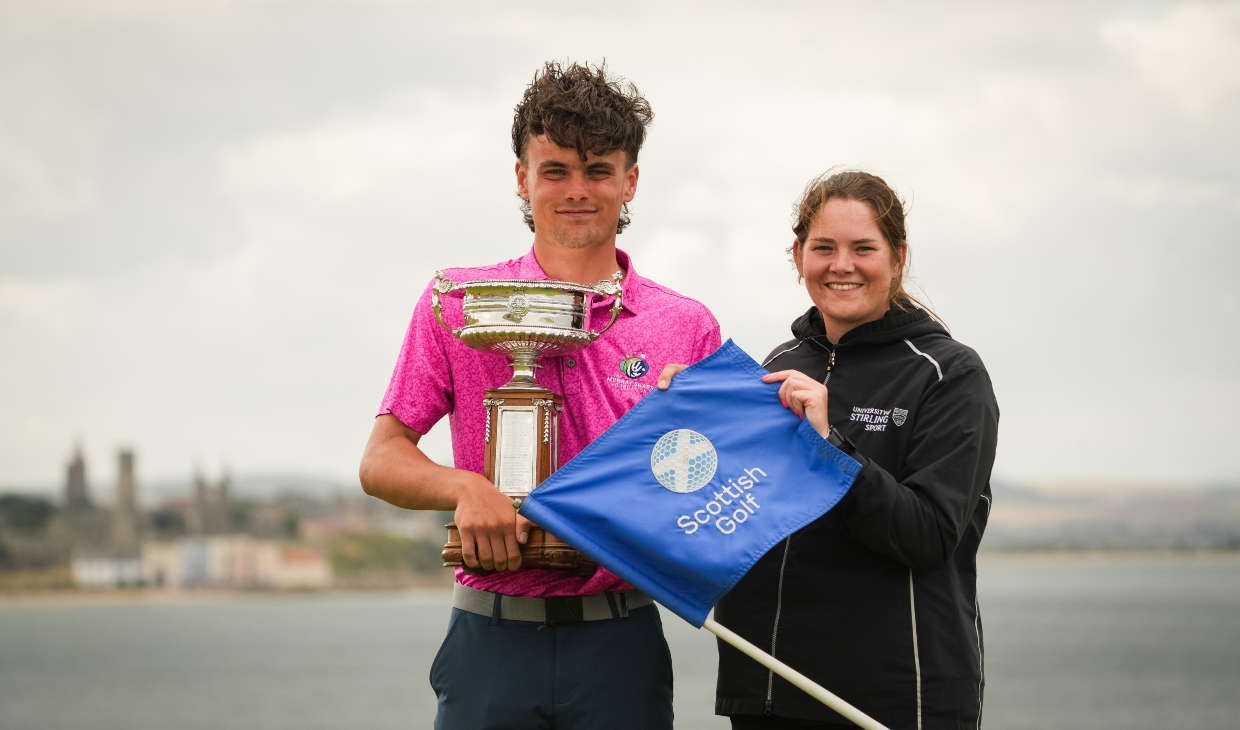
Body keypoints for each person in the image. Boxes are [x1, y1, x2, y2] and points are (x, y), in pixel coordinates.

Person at [358, 61, 721, 730]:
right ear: (522, 178)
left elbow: (707, 493)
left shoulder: (685, 325)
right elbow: (381, 460)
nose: (576, 190)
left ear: (630, 180)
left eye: (598, 169)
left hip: (621, 645)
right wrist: (468, 489)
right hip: (489, 641)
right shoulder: (460, 304)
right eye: (555, 170)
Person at [711, 170, 999, 729]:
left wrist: (828, 448)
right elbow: (731, 511)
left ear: (898, 256)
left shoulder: (950, 374)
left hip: (891, 702)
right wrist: (678, 418)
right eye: (824, 248)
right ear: (798, 256)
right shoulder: (776, 366)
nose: (841, 265)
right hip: (768, 691)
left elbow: (929, 535)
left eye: (863, 248)